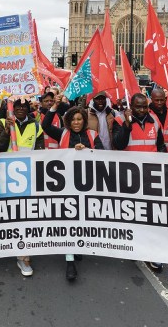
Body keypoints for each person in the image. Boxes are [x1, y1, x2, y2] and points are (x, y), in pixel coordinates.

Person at [42, 96, 103, 280]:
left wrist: (86, 151)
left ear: (84, 121)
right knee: (69, 221)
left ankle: (77, 246)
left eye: (79, 119)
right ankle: (69, 261)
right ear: (68, 121)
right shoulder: (62, 134)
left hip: (86, 186)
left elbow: (102, 155)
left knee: (82, 220)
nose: (76, 123)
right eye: (73, 120)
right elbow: (45, 126)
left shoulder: (92, 135)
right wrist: (54, 106)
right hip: (66, 186)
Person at [0, 98, 44, 276]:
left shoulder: (36, 126)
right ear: (12, 108)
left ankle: (23, 256)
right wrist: (7, 130)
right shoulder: (1, 122)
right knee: (7, 216)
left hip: (27, 180)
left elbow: (41, 153)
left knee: (25, 217)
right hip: (5, 178)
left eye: (24, 106)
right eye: (17, 106)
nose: (21, 109)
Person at [148, 88, 168, 153]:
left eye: (162, 100)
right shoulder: (147, 113)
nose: (159, 103)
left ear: (165, 99)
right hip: (155, 153)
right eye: (157, 100)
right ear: (151, 99)